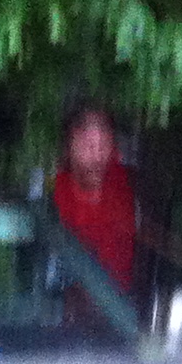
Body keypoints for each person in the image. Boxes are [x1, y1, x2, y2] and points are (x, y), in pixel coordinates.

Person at [50, 102, 137, 296]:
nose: (97, 155)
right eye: (87, 145)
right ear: (68, 148)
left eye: (103, 145)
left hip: (119, 305)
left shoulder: (131, 191)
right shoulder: (51, 197)